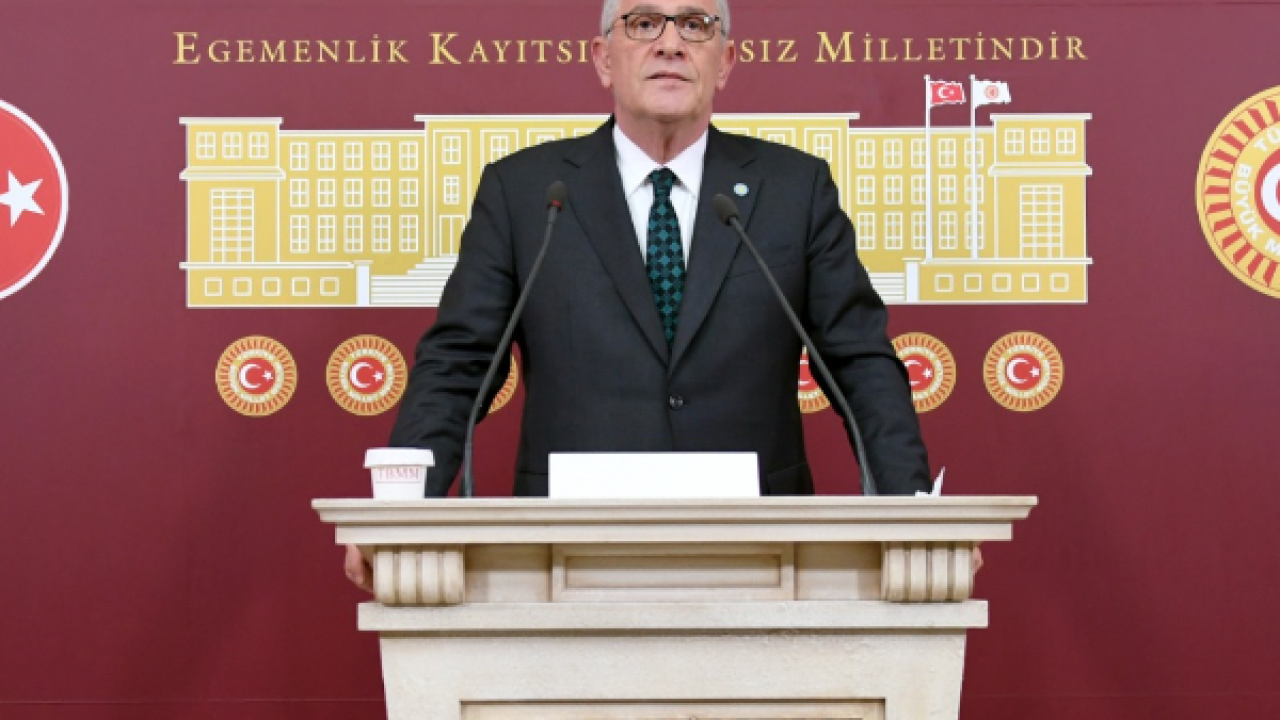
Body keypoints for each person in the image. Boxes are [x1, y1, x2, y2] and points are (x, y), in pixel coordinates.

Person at [345, 0, 936, 592]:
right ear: (603, 59)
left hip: (762, 552)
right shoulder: (526, 193)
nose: (671, 44)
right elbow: (458, 366)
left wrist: (915, 515)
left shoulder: (795, 190)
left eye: (695, 25)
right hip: (565, 552)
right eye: (644, 23)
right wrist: (403, 513)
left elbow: (860, 366)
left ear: (726, 61)